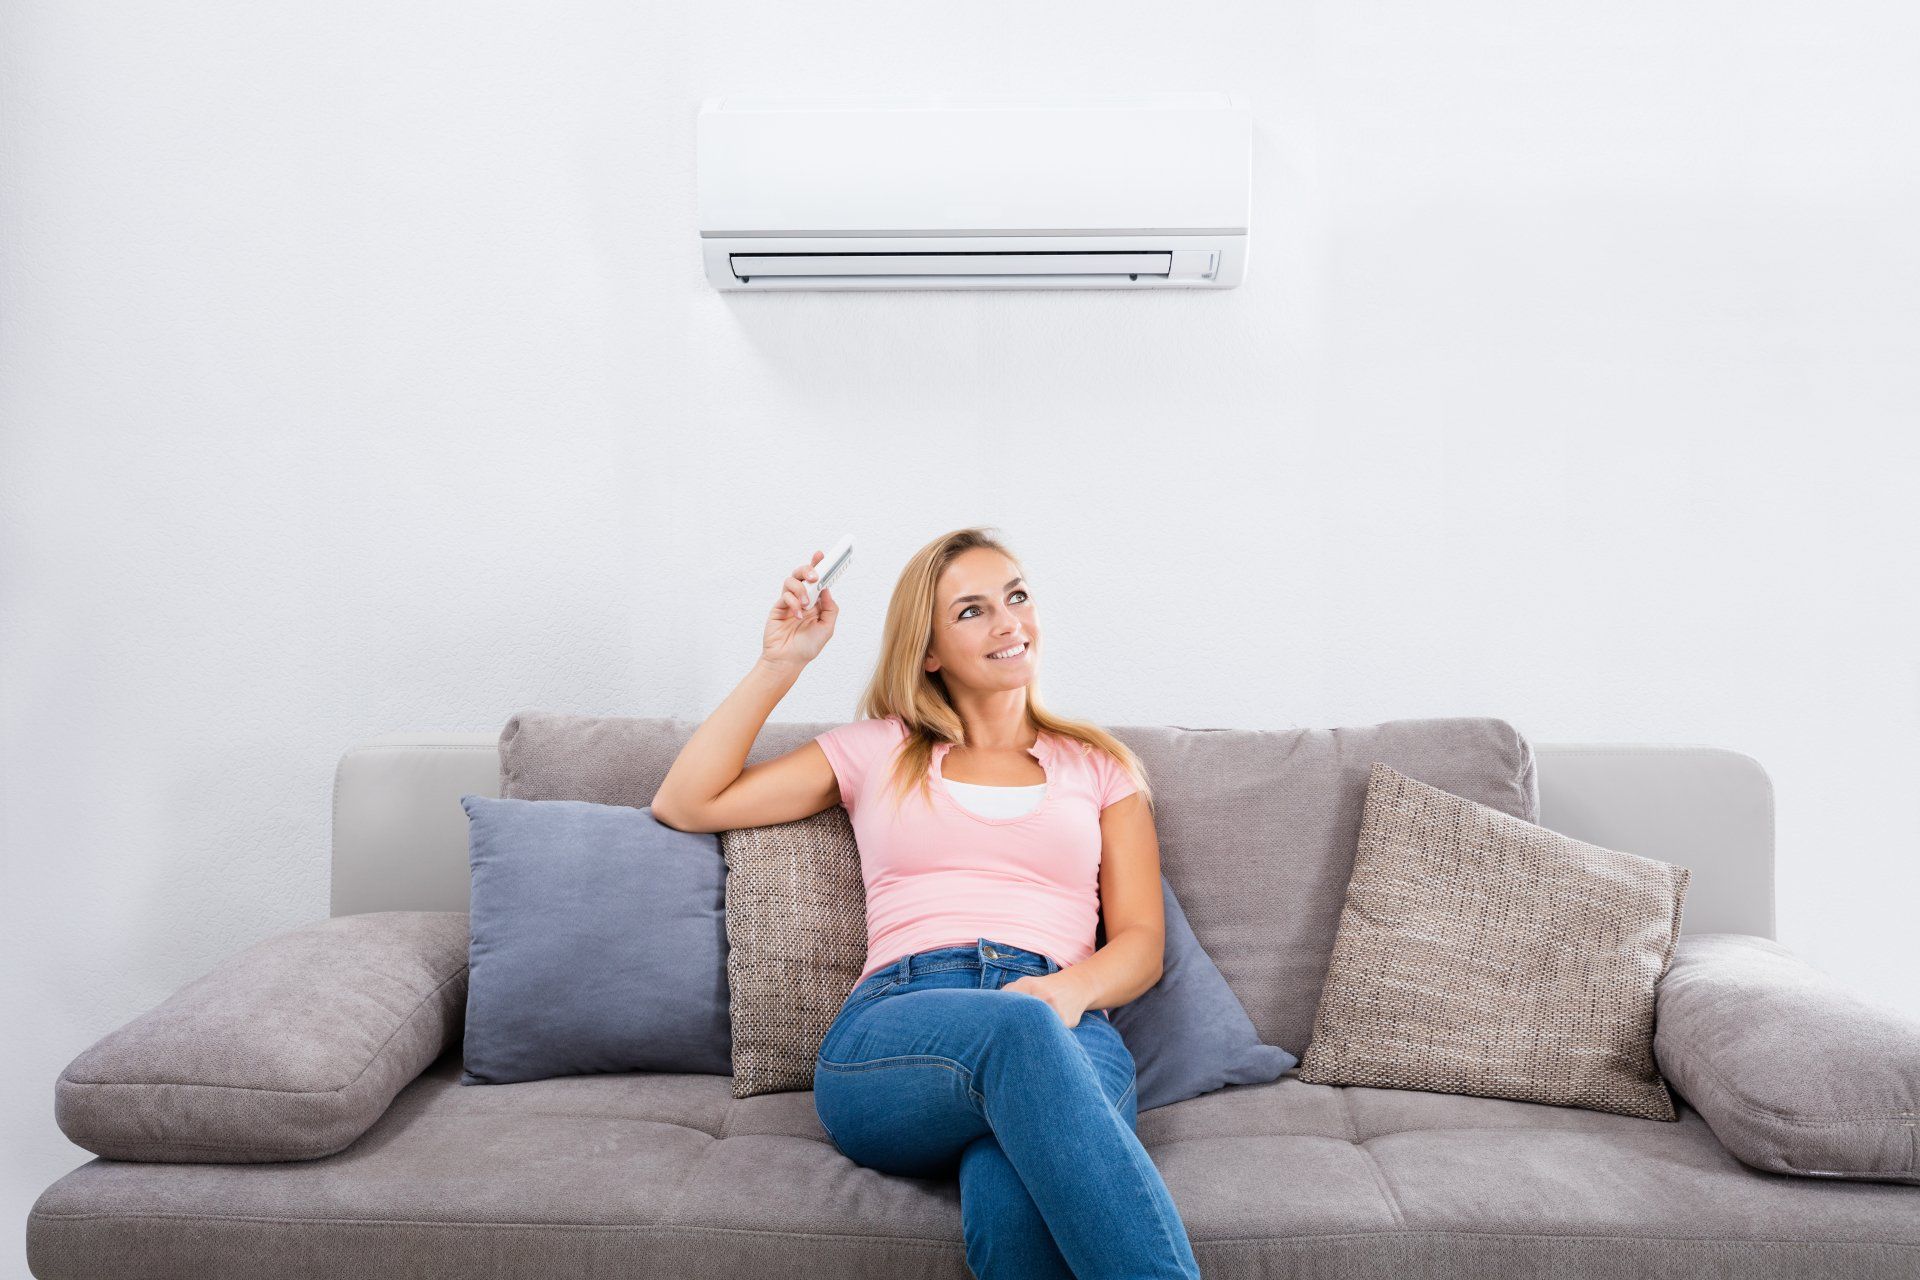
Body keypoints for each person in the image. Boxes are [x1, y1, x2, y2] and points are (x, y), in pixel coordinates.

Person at [651, 526, 1201, 1280]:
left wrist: (1064, 993)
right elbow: (687, 801)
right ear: (930, 649)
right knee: (1017, 1030)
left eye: (1016, 596)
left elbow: (1139, 942)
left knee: (1012, 1201)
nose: (1009, 621)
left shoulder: (1101, 770)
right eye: (973, 610)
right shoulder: (880, 750)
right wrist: (782, 662)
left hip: (1064, 1023)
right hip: (899, 1026)